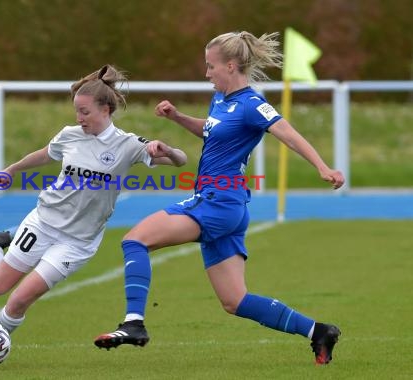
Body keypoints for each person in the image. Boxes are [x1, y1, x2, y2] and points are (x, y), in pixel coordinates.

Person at [93, 31, 345, 365]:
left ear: (230, 65)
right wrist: (178, 118)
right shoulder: (221, 100)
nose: (206, 73)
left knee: (135, 241)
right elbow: (212, 130)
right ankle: (318, 331)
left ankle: (134, 323)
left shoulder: (252, 104)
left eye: (211, 66)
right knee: (235, 301)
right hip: (224, 205)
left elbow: (288, 133)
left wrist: (323, 167)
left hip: (218, 202)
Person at [0, 64, 187, 368]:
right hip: (43, 222)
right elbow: (46, 154)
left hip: (77, 242)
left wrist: (168, 150)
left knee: (20, 299)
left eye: (84, 112)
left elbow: (180, 161)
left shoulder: (127, 145)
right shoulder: (70, 135)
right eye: (77, 111)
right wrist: (12, 169)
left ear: (106, 110)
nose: (79, 118)